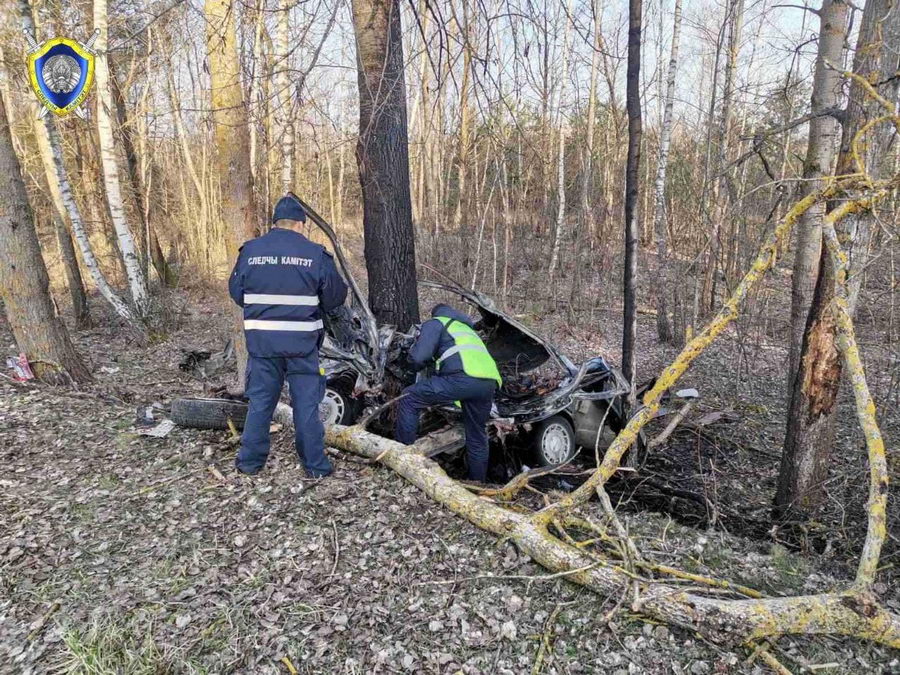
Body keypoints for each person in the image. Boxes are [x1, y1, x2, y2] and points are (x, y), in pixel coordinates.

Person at [228, 193, 348, 477]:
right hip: (302, 347)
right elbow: (335, 297)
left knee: (260, 404)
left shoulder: (250, 251)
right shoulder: (315, 254)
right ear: (301, 224)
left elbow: (237, 293)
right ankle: (315, 467)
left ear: (275, 222)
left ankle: (249, 464)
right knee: (306, 406)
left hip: (263, 346)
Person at [396, 304, 502, 481]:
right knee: (476, 433)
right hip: (488, 383)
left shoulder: (436, 323)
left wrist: (408, 364)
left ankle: (402, 459)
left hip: (462, 379)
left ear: (435, 313)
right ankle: (478, 483)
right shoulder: (467, 329)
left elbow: (419, 357)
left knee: (409, 398)